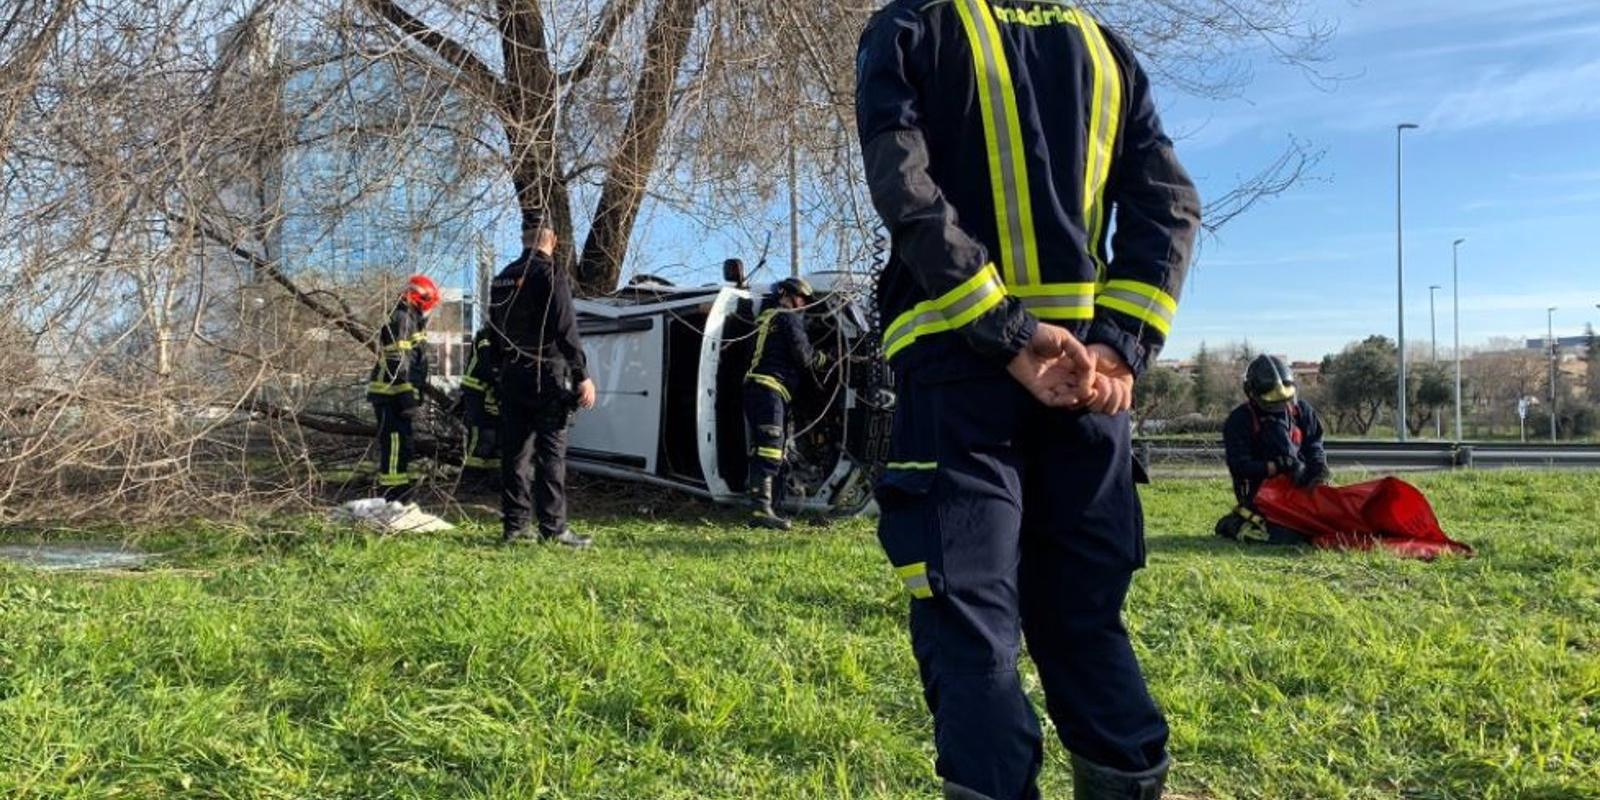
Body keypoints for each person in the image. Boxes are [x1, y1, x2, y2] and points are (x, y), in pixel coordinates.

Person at [856, 0, 1200, 797]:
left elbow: (905, 189)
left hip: (956, 378)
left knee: (973, 632)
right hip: (1085, 387)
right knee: (1083, 622)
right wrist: (1119, 345)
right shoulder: (1102, 46)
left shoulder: (912, 24)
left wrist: (1007, 333)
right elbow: (1170, 206)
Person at [489, 216, 597, 549]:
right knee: (551, 453)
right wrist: (582, 375)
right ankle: (554, 528)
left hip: (511, 376)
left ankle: (516, 527)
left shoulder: (502, 278)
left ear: (524, 239)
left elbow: (493, 332)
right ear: (552, 240)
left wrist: (497, 372)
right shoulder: (550, 273)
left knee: (515, 456)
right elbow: (565, 329)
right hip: (545, 376)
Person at [1217, 355, 1331, 544]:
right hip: (1262, 494)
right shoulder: (1240, 420)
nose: (1281, 406)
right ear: (1252, 394)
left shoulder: (1302, 412)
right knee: (1289, 536)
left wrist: (1318, 470)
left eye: (1285, 399)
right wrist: (1275, 466)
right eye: (1273, 401)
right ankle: (1234, 524)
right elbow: (1239, 466)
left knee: (1328, 525)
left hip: (1302, 487)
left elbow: (1314, 445)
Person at [743, 276, 823, 531]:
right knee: (770, 448)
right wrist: (824, 357)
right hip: (770, 388)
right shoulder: (787, 317)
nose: (802, 305)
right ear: (786, 295)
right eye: (800, 298)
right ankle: (761, 511)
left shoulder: (766, 316)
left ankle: (770, 507)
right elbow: (804, 358)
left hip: (760, 388)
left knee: (769, 448)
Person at [367, 274, 440, 502]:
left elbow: (414, 361)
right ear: (421, 299)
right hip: (392, 394)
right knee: (395, 443)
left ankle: (399, 488)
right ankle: (393, 493)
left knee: (402, 443)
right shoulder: (403, 318)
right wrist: (406, 395)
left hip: (397, 393)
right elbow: (399, 360)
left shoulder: (409, 318)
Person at [459, 326, 502, 490]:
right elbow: (487, 365)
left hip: (491, 392)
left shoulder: (508, 335)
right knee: (481, 436)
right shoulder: (486, 335)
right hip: (477, 391)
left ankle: (495, 479)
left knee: (497, 436)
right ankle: (471, 480)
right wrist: (500, 380)